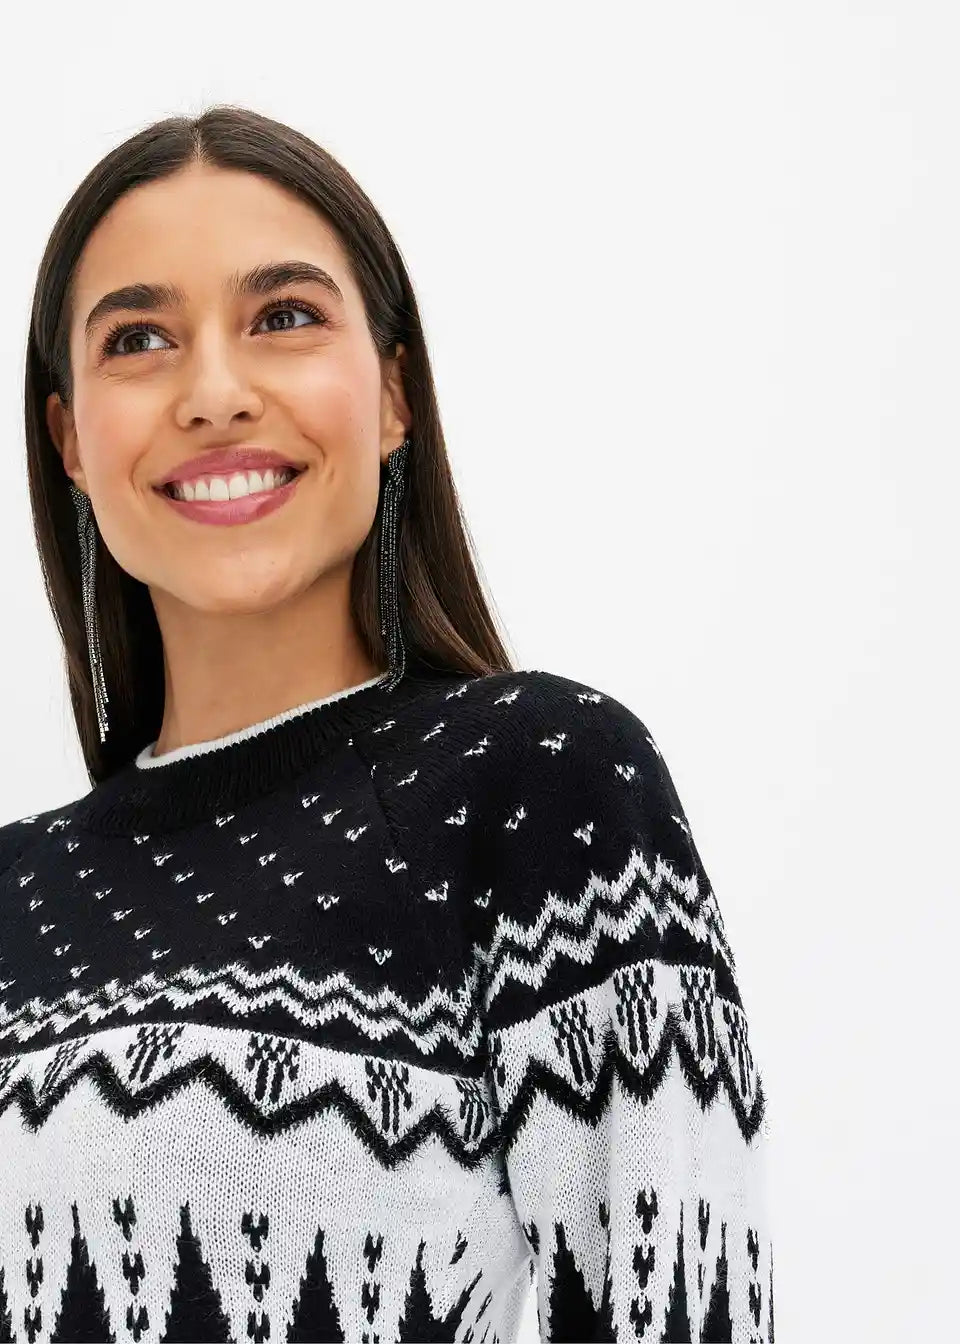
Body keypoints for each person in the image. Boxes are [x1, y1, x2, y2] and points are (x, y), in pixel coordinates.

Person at [0, 105, 774, 1344]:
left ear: (395, 394)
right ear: (69, 441)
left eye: (283, 317)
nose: (214, 394)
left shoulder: (538, 784)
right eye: (139, 339)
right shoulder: (17, 888)